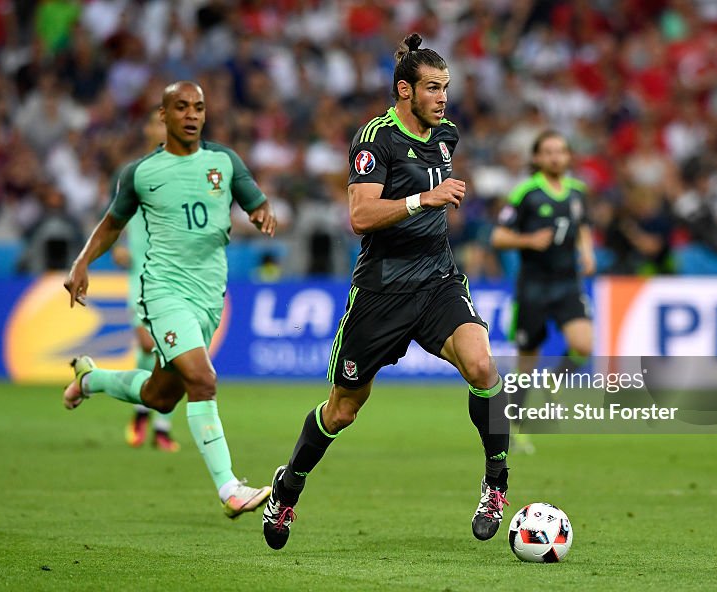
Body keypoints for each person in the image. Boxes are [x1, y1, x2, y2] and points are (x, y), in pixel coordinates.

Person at [262, 33, 509, 550]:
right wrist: (425, 198)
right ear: (405, 90)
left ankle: (496, 483)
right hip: (381, 292)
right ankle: (287, 488)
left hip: (438, 281)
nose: (443, 98)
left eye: (447, 87)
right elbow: (359, 216)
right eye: (433, 88)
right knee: (342, 411)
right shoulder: (376, 138)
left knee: (484, 367)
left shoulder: (447, 137)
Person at [62, 81, 276, 517]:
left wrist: (261, 212)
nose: (192, 115)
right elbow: (111, 224)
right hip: (162, 291)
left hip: (209, 295)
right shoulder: (142, 173)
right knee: (203, 380)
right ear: (163, 115)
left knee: (161, 396)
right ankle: (229, 488)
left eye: (199, 107)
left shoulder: (224, 162)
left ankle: (90, 379)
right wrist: (82, 263)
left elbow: (256, 199)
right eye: (181, 107)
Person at [489, 131, 595, 455]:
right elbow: (499, 237)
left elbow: (582, 227)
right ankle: (515, 428)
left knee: (583, 344)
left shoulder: (578, 192)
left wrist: (587, 251)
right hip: (533, 286)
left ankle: (555, 380)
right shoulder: (526, 193)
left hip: (567, 283)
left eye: (560, 151)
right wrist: (529, 241)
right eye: (548, 152)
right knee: (526, 363)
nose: (554, 157)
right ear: (536, 158)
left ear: (568, 157)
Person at [110, 109, 179, 452]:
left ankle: (161, 426)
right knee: (148, 343)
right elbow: (116, 216)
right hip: (142, 273)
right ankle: (142, 410)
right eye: (157, 122)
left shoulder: (190, 169)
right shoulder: (133, 172)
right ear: (148, 128)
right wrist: (119, 247)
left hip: (179, 275)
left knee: (176, 349)